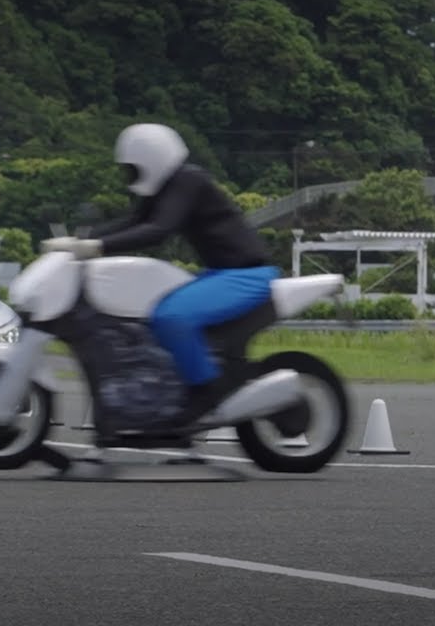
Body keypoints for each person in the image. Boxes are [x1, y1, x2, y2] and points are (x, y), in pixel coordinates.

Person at [41, 123, 280, 416]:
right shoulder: (168, 185)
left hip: (246, 274)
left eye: (132, 168)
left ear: (150, 159)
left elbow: (158, 230)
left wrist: (94, 247)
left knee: (172, 316)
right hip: (221, 274)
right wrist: (79, 242)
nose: (129, 176)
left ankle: (205, 392)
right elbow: (134, 222)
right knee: (149, 316)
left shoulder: (189, 180)